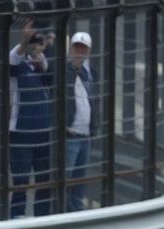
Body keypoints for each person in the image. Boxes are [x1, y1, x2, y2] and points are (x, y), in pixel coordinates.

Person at [8, 21, 53, 218]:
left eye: (40, 41)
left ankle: (42, 219)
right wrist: (25, 41)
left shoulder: (43, 68)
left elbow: (47, 68)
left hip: (43, 134)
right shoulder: (17, 68)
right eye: (34, 42)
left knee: (45, 181)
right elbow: (14, 58)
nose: (37, 45)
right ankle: (17, 219)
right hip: (21, 134)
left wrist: (39, 52)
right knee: (21, 182)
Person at [64, 30, 97, 212]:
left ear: (89, 51)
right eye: (76, 47)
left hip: (86, 134)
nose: (79, 51)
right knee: (65, 179)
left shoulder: (91, 73)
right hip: (71, 134)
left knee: (79, 181)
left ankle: (76, 217)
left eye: (83, 48)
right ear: (71, 48)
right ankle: (59, 216)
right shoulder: (66, 71)